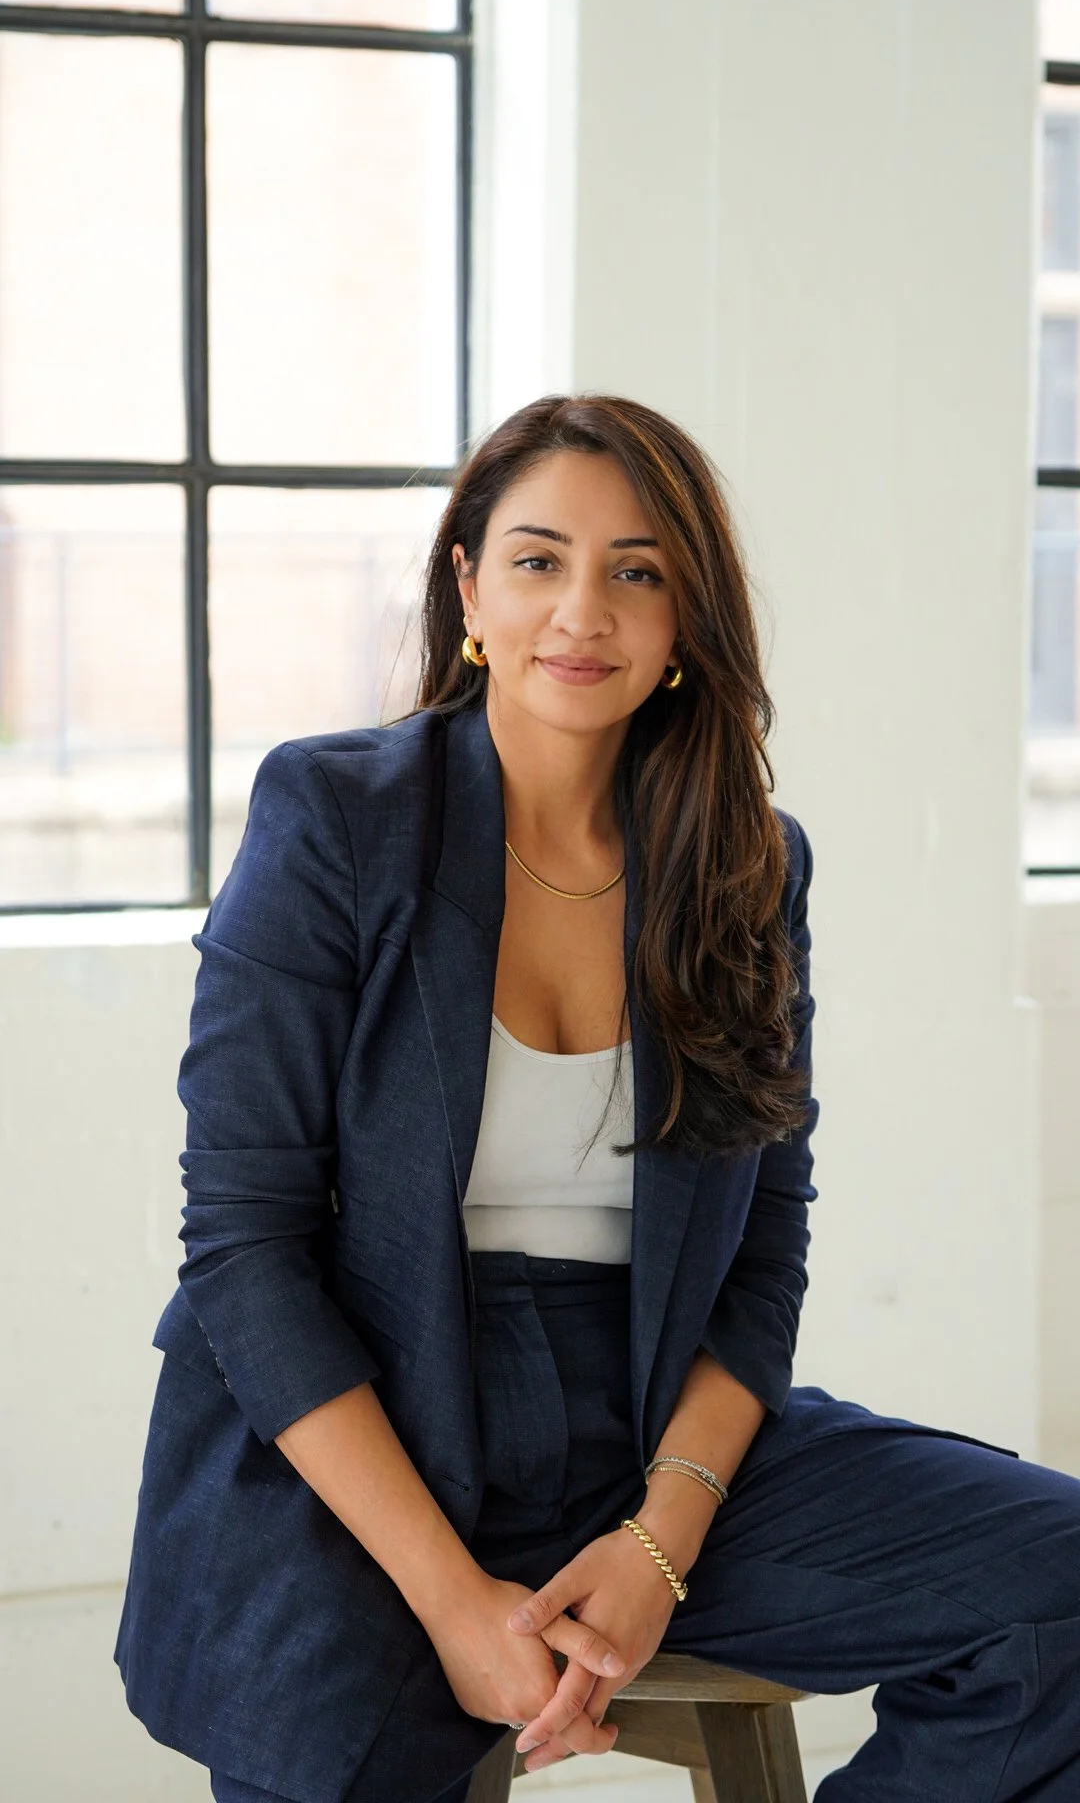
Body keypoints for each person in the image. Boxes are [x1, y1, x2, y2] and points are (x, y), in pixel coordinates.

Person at [115, 393, 1080, 1803]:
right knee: (345, 1757)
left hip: (639, 1411)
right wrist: (452, 1602)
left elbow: (765, 1245)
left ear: (687, 617)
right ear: (469, 587)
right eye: (538, 560)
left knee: (1058, 1593)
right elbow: (243, 1247)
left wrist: (660, 1542)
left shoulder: (751, 866)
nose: (583, 611)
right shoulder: (336, 820)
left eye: (637, 571)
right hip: (357, 1416)